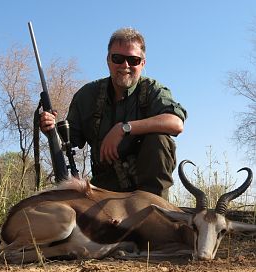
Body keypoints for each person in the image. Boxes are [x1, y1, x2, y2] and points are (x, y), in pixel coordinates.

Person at [40, 27, 187, 199]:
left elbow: (176, 123)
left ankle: (154, 212)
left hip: (146, 196)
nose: (125, 66)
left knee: (160, 139)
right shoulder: (87, 95)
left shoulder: (153, 90)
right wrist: (49, 129)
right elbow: (69, 140)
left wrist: (124, 128)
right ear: (108, 60)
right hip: (102, 192)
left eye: (133, 60)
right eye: (118, 58)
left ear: (142, 63)